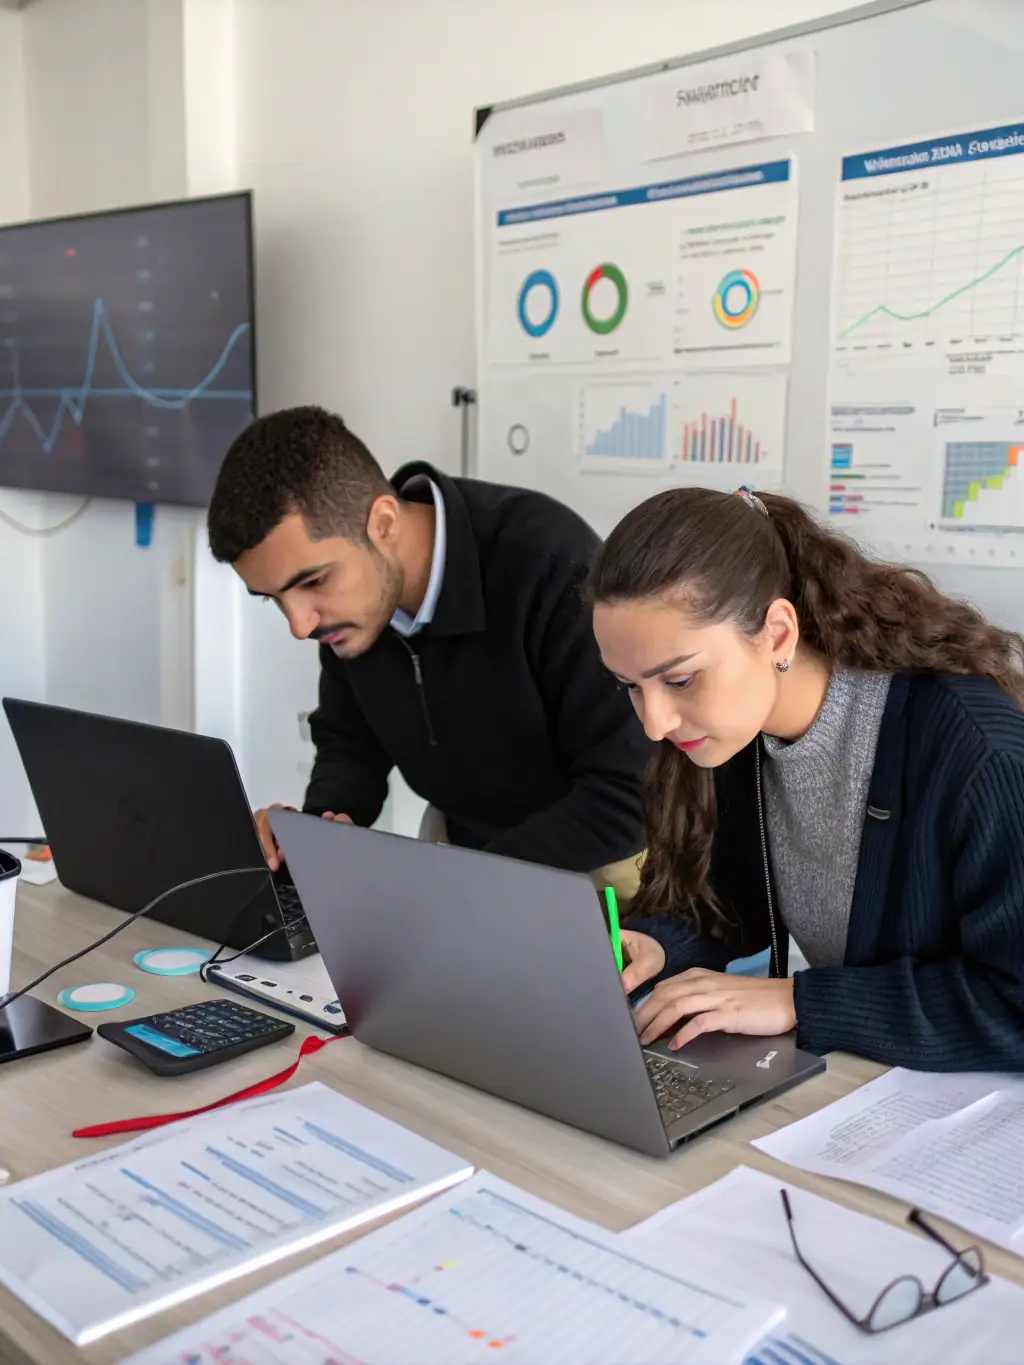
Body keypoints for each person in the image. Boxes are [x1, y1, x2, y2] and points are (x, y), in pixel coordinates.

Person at [587, 484, 1024, 1072]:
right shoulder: (740, 733)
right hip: (862, 1082)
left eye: (681, 680)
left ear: (778, 634)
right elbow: (739, 902)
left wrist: (803, 999)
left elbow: (1014, 1002)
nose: (655, 724)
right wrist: (661, 944)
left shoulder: (976, 750)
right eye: (631, 686)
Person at [207, 405, 648, 895]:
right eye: (273, 599)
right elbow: (350, 744)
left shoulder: (548, 564)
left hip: (605, 874)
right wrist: (318, 832)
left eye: (313, 582)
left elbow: (629, 792)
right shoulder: (350, 612)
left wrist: (456, 884)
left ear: (383, 522)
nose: (299, 624)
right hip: (468, 861)